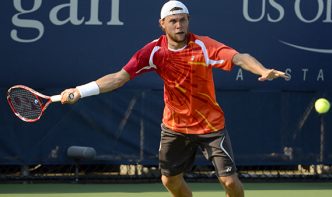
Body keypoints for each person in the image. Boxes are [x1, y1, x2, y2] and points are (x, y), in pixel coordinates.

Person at [60, 1, 288, 196]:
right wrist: (80, 91)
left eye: (183, 20)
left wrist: (261, 70)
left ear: (188, 20)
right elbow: (119, 78)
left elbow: (238, 57)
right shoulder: (153, 52)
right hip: (174, 127)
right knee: (170, 181)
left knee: (229, 181)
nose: (179, 25)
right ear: (162, 24)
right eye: (173, 21)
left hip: (210, 126)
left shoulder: (204, 46)